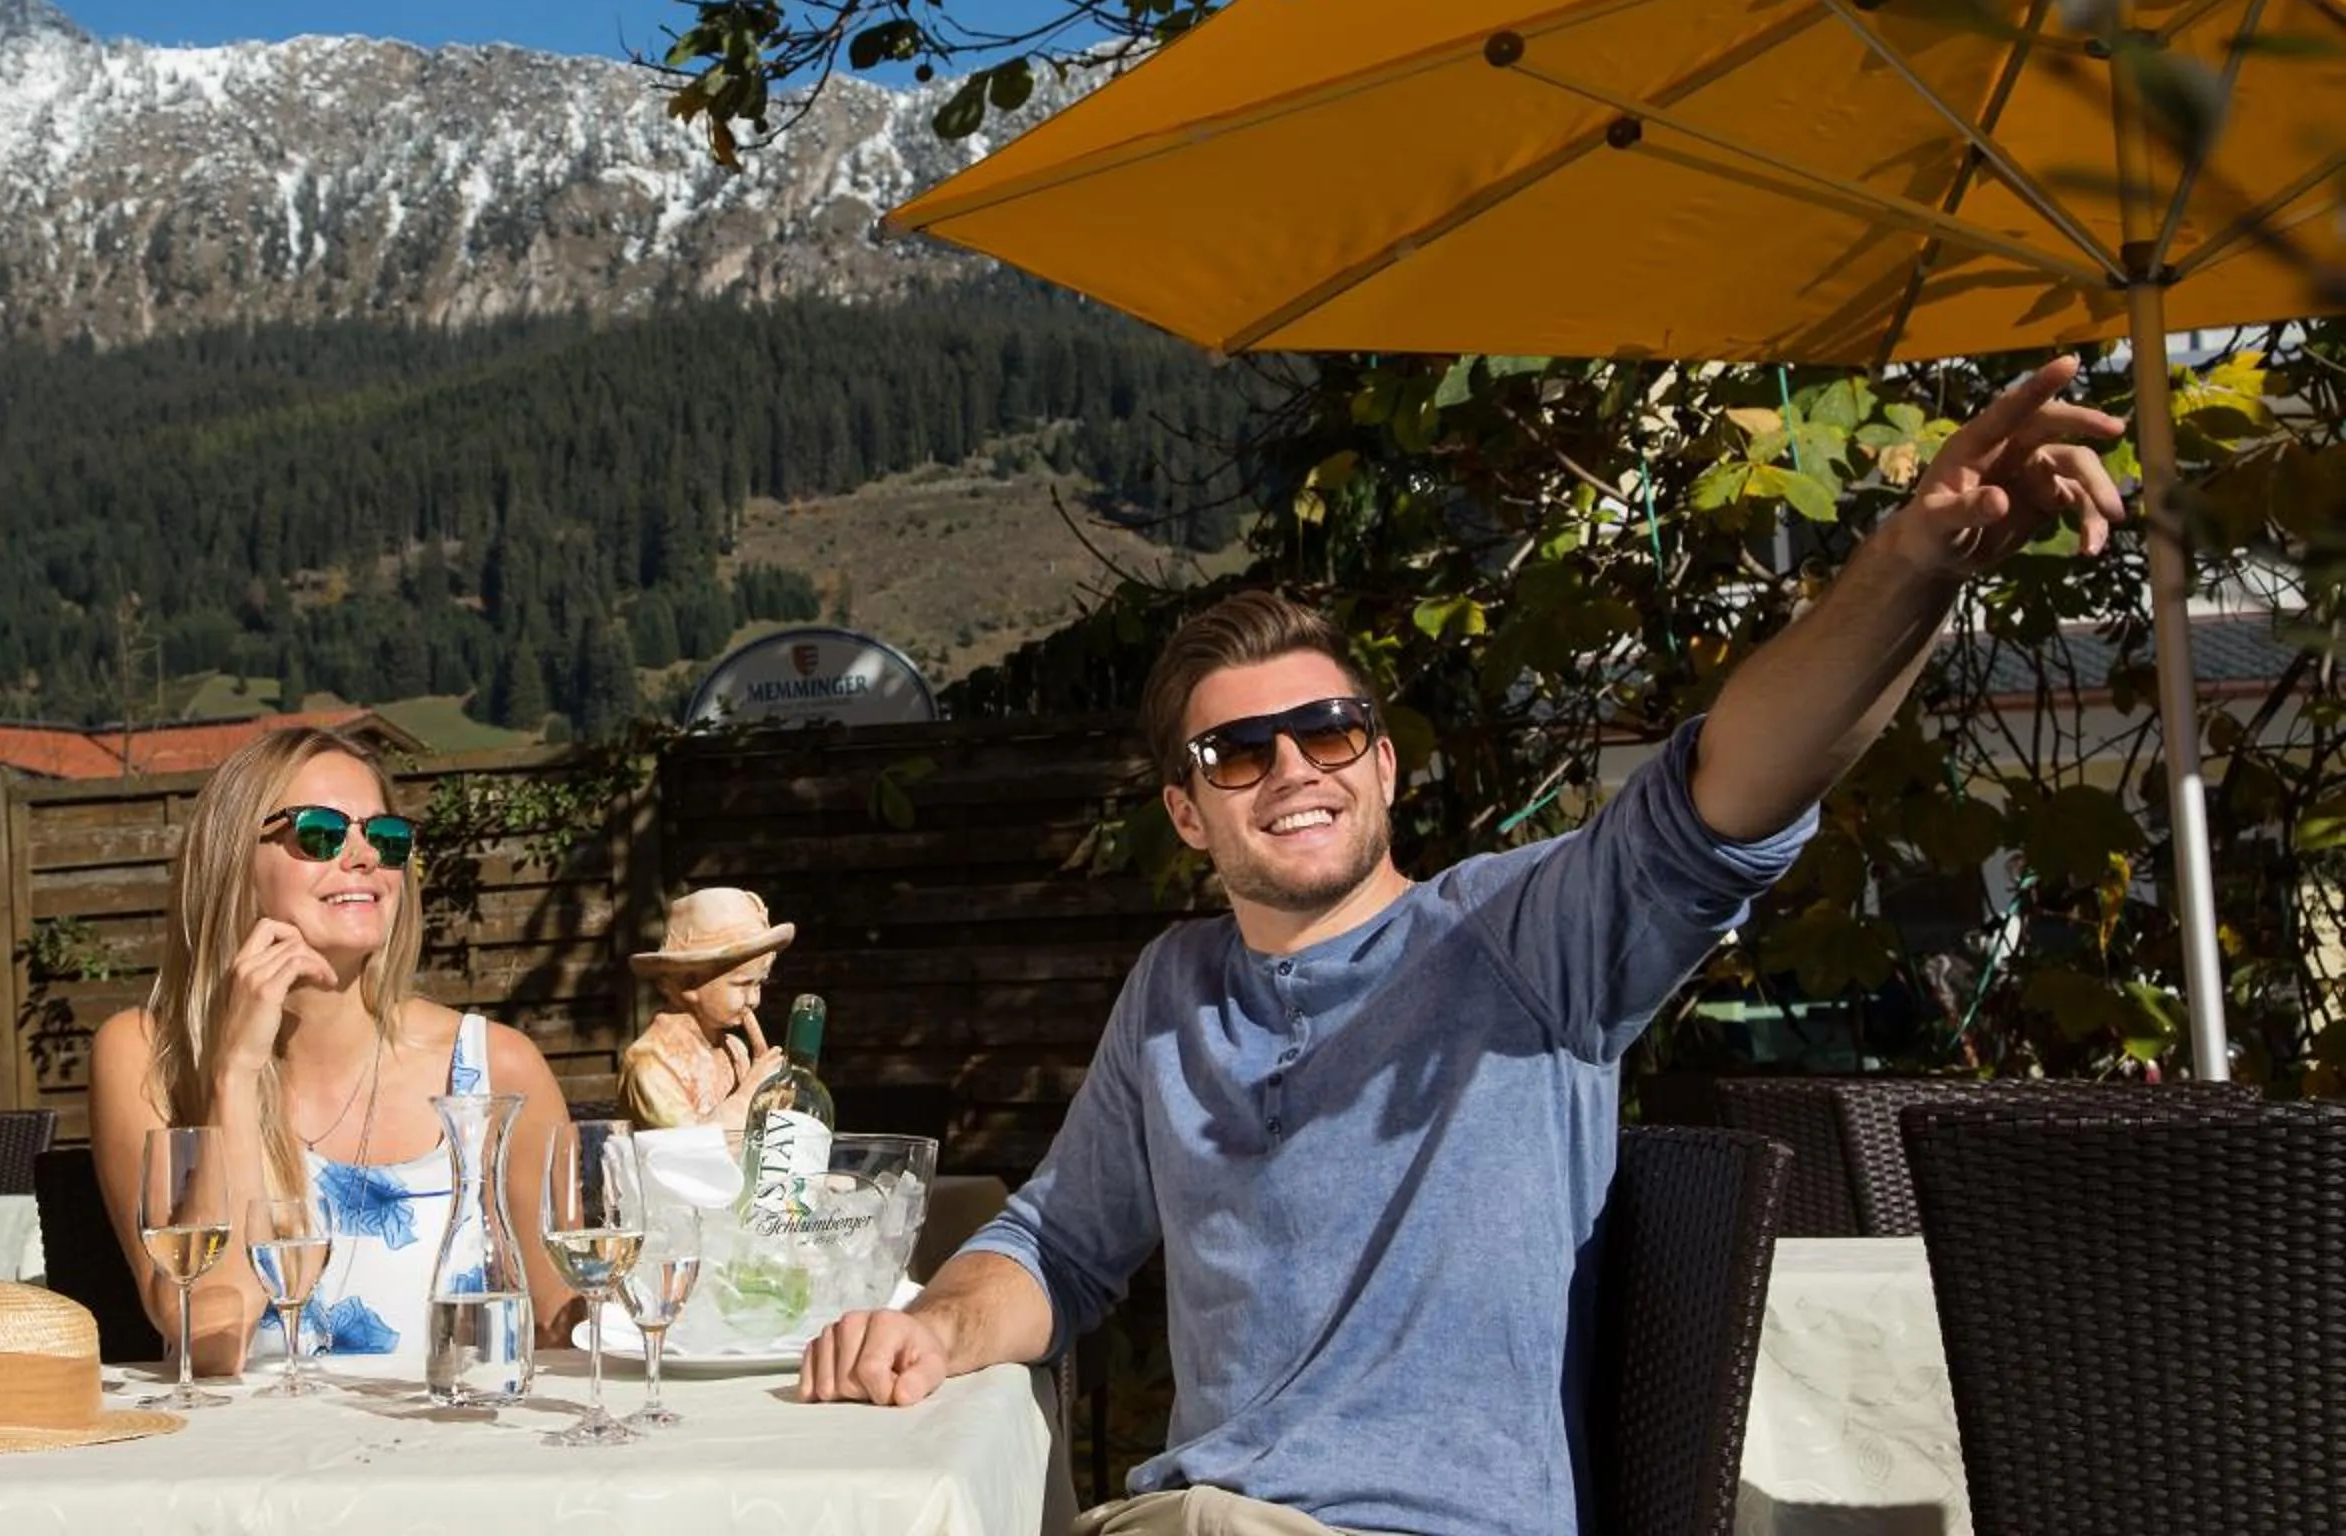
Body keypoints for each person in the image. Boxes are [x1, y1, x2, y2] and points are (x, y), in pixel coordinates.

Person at [799, 359, 2126, 1536]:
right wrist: (934, 1323)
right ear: (1187, 810)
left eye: (1327, 731)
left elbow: (1731, 796)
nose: (1291, 768)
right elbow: (1057, 1246)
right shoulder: (1175, 994)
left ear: (1382, 763)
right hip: (1197, 1512)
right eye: (1238, 751)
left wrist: (1914, 560)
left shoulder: (1515, 937)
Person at [90, 724, 573, 1376]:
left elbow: (573, 1331)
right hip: (246, 1467)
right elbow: (208, 1335)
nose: (364, 856)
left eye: (386, 837)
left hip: (451, 1459)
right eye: (320, 832)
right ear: (234, 861)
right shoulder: (150, 1056)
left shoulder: (495, 1069)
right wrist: (234, 1075)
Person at [618, 886, 791, 1130]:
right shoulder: (651, 1064)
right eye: (742, 984)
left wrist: (772, 1104)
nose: (754, 999)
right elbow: (689, 1154)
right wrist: (747, 1097)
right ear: (689, 983)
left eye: (759, 983)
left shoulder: (734, 1050)